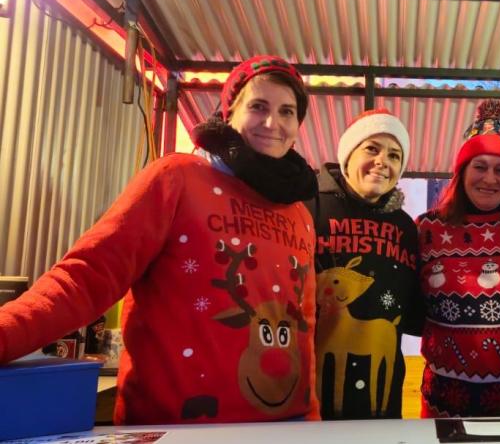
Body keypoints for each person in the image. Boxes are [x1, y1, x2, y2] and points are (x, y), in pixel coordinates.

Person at [0, 55, 319, 424]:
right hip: (171, 429)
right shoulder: (177, 178)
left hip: (282, 431)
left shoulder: (299, 215)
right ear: (229, 112)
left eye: (287, 112)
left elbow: (302, 328)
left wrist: (311, 420)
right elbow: (87, 276)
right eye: (258, 106)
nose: (272, 123)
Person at [417, 100, 500, 417]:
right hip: (448, 404)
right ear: (462, 172)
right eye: (479, 167)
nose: (489, 179)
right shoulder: (427, 229)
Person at [307, 109, 422, 419]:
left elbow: (412, 311)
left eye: (395, 156)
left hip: (382, 406)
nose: (383, 161)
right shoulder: (309, 208)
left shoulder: (405, 228)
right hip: (310, 406)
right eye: (372, 148)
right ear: (348, 154)